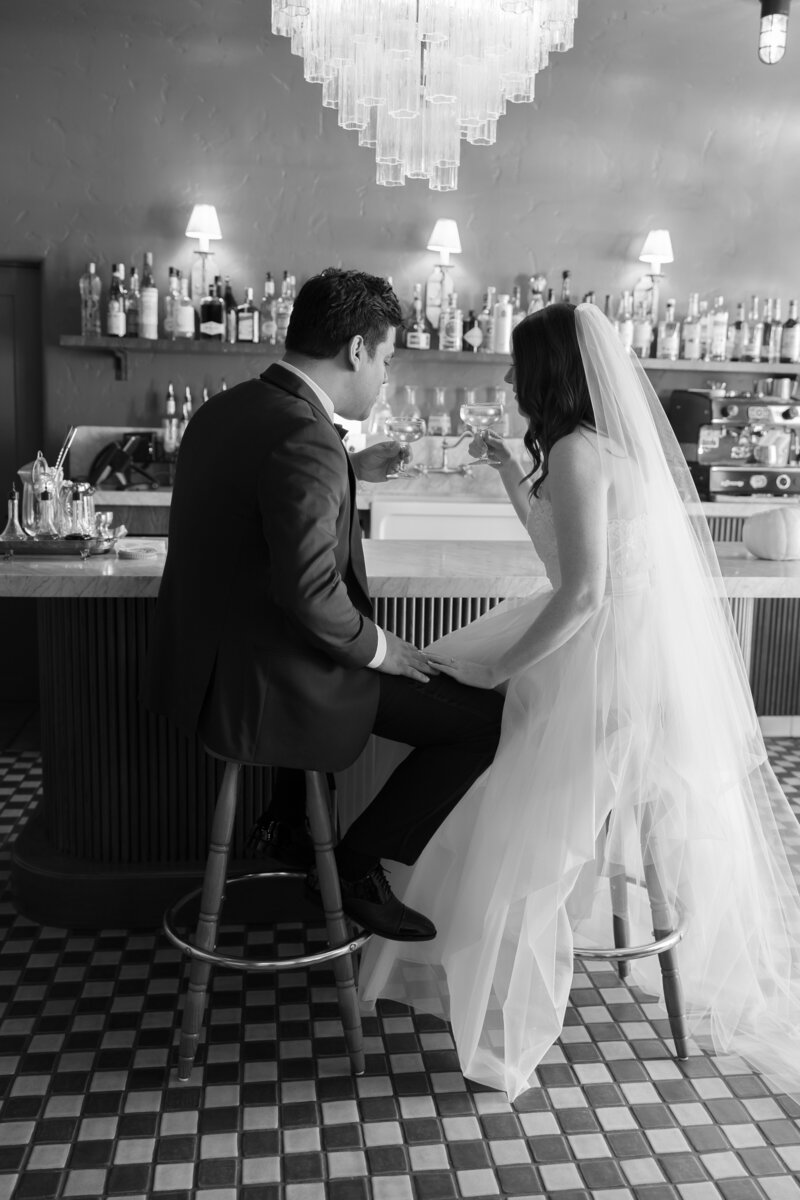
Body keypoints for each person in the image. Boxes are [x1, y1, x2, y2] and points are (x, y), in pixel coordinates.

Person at [359, 301, 800, 1101]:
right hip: (632, 660)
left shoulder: (571, 450)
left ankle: (493, 994)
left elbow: (585, 592)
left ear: (545, 374)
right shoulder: (595, 447)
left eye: (517, 367)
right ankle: (456, 946)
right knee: (490, 754)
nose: (508, 378)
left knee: (512, 791)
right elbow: (565, 564)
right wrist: (504, 473)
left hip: (603, 662)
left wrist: (502, 670)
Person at [143, 268, 503, 944]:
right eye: (388, 361)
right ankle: (354, 866)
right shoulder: (306, 437)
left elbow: (265, 491)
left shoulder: (229, 409)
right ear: (357, 351)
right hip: (271, 687)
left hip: (205, 671)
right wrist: (379, 647)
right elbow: (310, 592)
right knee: (485, 721)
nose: (385, 378)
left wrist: (347, 465)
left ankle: (292, 822)